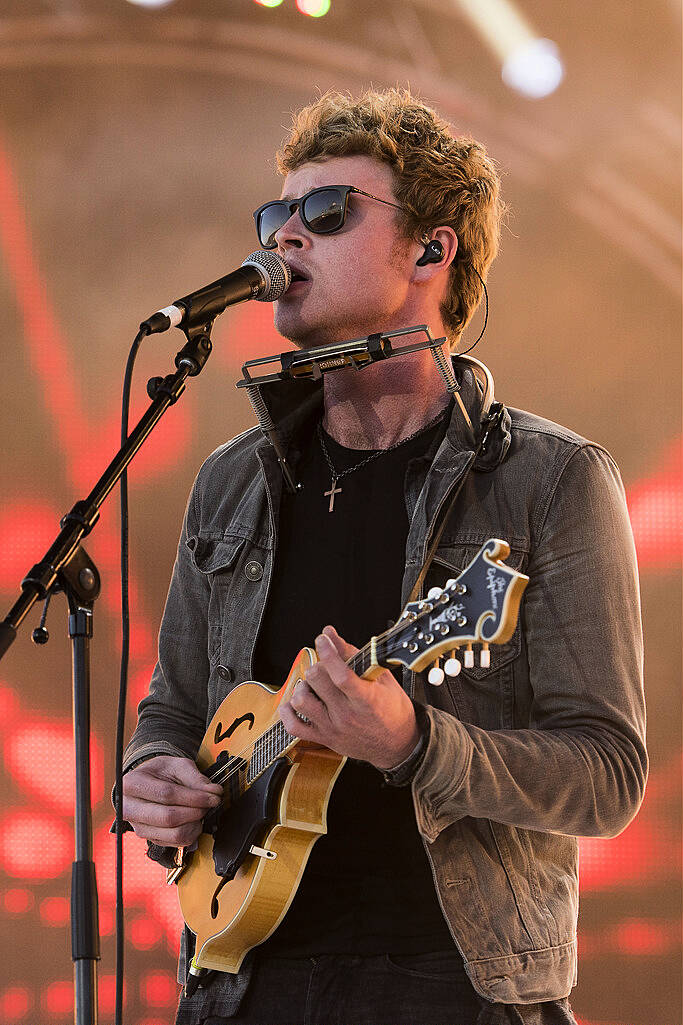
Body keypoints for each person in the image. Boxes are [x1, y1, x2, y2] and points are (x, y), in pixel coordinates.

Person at [120, 89, 647, 1025]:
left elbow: (605, 775)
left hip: (455, 986)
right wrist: (155, 770)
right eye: (277, 215)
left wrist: (413, 743)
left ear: (431, 252)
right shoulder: (230, 481)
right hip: (241, 986)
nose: (287, 238)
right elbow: (175, 703)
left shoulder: (550, 480)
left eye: (327, 214)